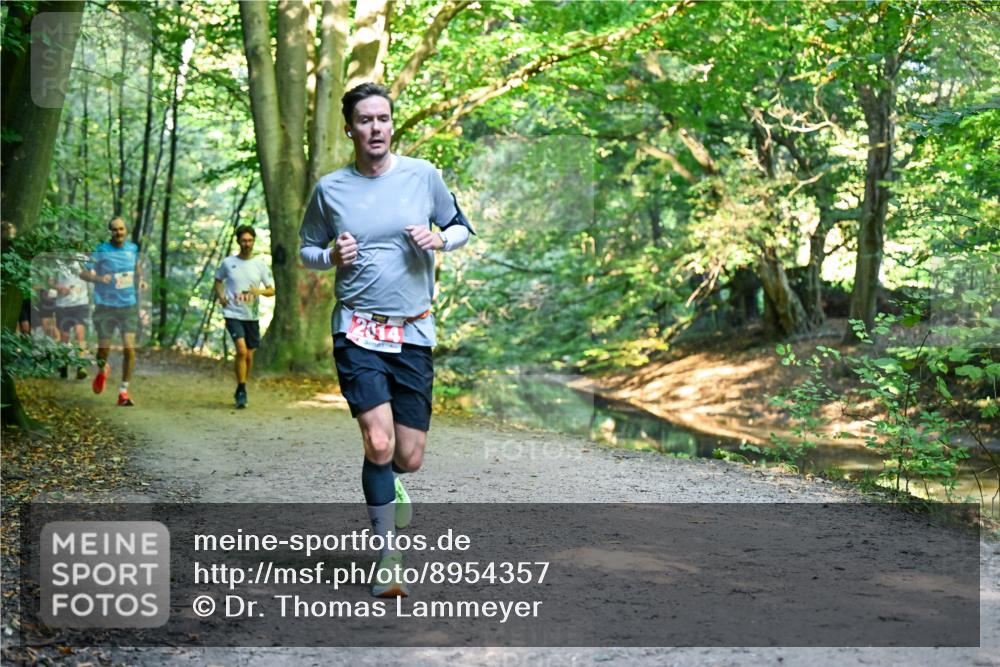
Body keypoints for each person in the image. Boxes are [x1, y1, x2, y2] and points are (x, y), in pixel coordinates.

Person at [299, 82, 473, 598]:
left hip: (413, 327)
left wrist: (440, 239)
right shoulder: (331, 189)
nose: (375, 128)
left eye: (383, 119)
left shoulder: (423, 176)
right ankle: (388, 556)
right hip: (357, 327)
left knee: (408, 455)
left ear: (392, 125)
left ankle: (390, 478)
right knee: (378, 441)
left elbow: (461, 227)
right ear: (349, 129)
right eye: (365, 120)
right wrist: (331, 257)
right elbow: (307, 248)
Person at [80, 217, 142, 406]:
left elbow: (137, 270)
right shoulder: (101, 250)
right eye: (115, 230)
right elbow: (83, 273)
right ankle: (102, 369)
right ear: (110, 232)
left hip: (128, 306)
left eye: (121, 229)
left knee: (129, 348)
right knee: (103, 351)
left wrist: (141, 281)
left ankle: (123, 391)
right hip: (105, 307)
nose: (118, 233)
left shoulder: (132, 249)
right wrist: (99, 279)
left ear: (126, 230)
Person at [213, 225, 275, 409]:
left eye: (250, 240)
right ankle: (241, 389)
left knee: (248, 355)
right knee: (241, 350)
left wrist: (259, 291)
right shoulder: (228, 263)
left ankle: (242, 384)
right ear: (238, 241)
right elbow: (218, 280)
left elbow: (271, 290)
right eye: (244, 240)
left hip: (251, 315)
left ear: (253, 241)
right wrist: (221, 297)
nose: (247, 244)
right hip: (232, 313)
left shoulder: (260, 265)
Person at [54, 253, 91, 379]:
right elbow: (50, 279)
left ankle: (81, 366)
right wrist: (59, 287)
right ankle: (64, 365)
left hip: (81, 303)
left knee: (80, 334)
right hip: (62, 305)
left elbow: (92, 275)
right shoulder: (57, 259)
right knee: (65, 337)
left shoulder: (83, 259)